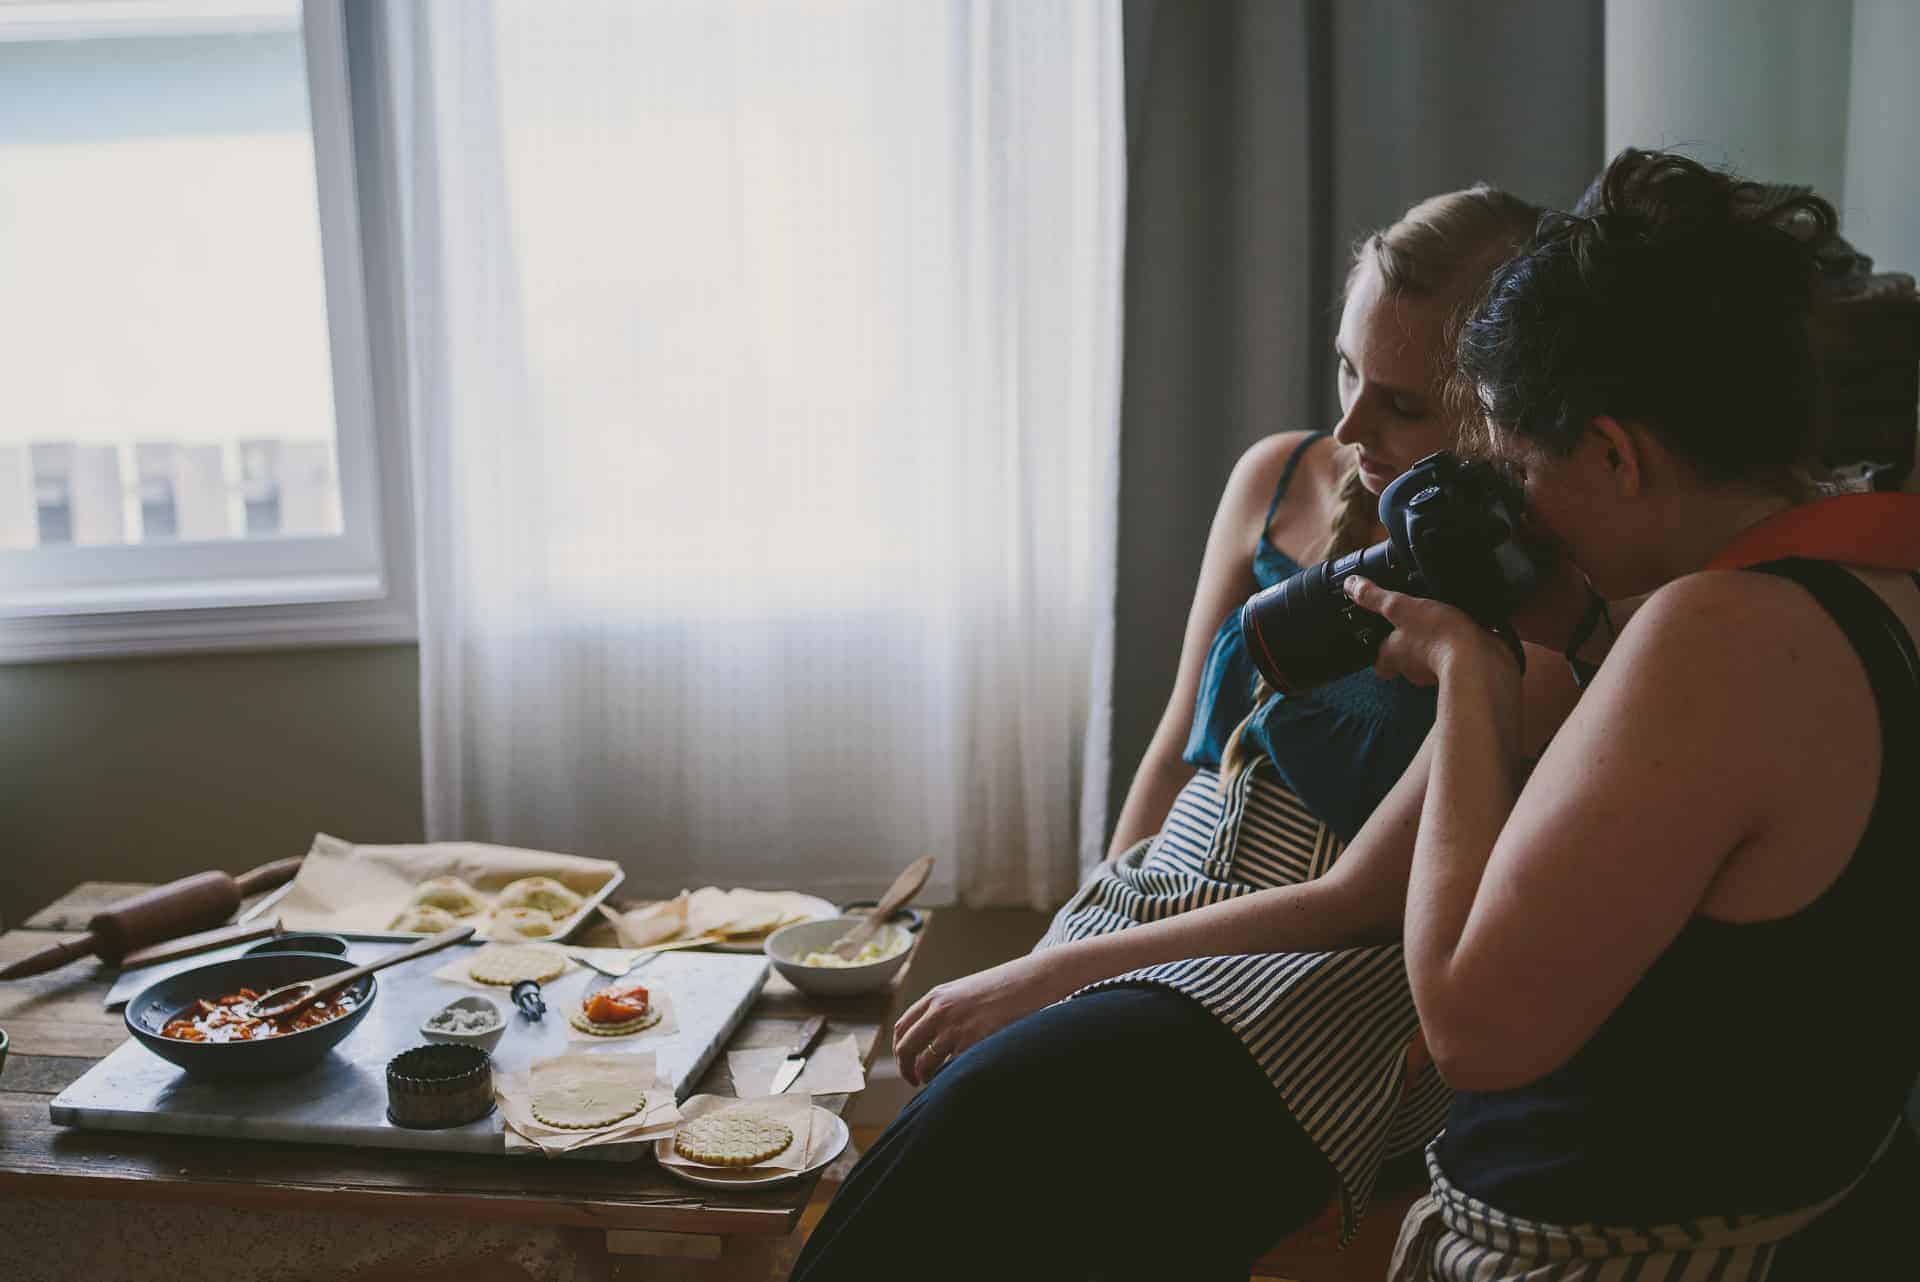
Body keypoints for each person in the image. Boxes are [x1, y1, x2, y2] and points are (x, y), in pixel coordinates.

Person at [790, 185, 1575, 1282]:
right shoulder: (1276, 476)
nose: (1350, 427)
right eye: (1347, 371)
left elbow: (1357, 903)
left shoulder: (1529, 610)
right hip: (1153, 901)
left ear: (1495, 408)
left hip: (1312, 976)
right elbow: (1173, 749)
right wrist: (1071, 936)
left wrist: (1044, 983)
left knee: (1008, 1129)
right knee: (978, 1139)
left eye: (1399, 403)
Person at [1350, 150, 1920, 1281]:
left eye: (1520, 461)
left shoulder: (1720, 633)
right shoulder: (1871, 586)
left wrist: (1470, 674)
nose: (1521, 504)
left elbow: (1476, 1026)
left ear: (1614, 453)